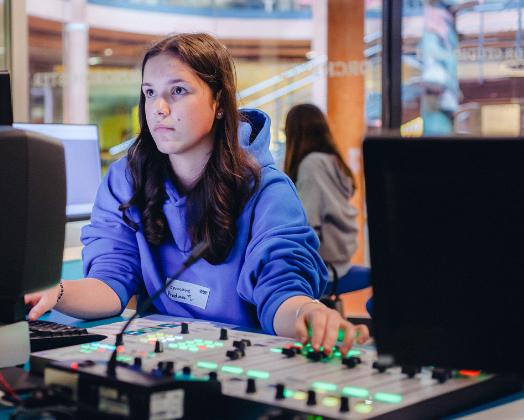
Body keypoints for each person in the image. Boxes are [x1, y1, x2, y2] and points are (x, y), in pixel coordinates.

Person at [25, 33, 369, 355]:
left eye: (177, 91)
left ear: (219, 102)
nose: (158, 107)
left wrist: (308, 313)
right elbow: (110, 283)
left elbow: (280, 294)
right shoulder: (125, 179)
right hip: (158, 360)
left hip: (245, 366)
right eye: (149, 92)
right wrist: (56, 290)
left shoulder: (268, 191)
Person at [282, 103, 371, 303]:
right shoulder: (332, 161)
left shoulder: (311, 165)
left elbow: (306, 224)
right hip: (341, 260)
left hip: (324, 268)